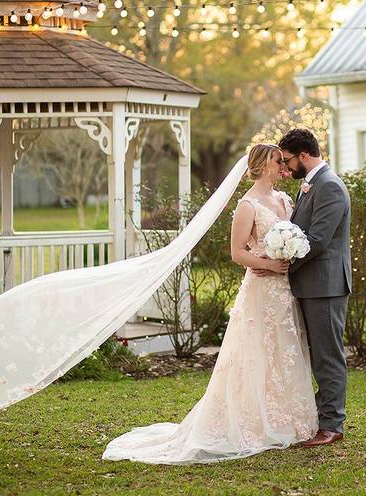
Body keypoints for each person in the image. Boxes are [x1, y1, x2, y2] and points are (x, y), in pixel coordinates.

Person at [102, 143, 319, 464]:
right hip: (261, 288)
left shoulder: (286, 199)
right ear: (261, 166)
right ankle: (255, 421)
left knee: (285, 350)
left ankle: (290, 419)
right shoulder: (248, 206)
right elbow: (237, 253)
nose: (283, 166)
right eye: (277, 161)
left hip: (286, 291)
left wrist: (291, 252)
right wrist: (271, 264)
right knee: (257, 353)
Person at [272, 128, 352, 447]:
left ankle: (332, 425)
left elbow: (316, 242)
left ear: (304, 155)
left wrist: (283, 266)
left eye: (289, 160)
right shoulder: (311, 185)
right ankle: (320, 417)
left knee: (327, 356)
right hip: (311, 285)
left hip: (326, 287)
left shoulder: (329, 186)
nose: (286, 167)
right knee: (314, 355)